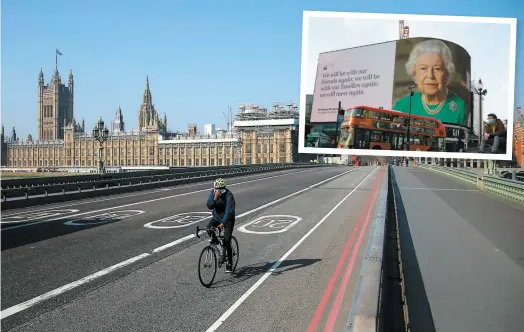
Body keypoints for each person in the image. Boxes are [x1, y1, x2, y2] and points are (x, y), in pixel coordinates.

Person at [392, 39, 467, 126]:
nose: (430, 75)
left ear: (447, 73)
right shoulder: (402, 106)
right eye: (423, 68)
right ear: (414, 73)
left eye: (437, 68)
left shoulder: (460, 107)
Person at [206, 178, 236, 273]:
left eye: (220, 190)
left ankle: (229, 263)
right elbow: (209, 205)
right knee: (208, 229)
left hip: (227, 220)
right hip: (217, 218)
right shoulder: (213, 192)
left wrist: (223, 224)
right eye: (216, 189)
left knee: (227, 242)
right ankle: (217, 245)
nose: (218, 191)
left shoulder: (228, 195)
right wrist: (215, 198)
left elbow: (229, 211)